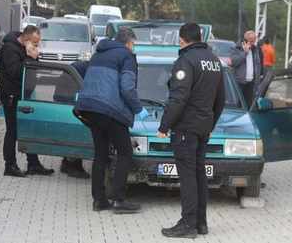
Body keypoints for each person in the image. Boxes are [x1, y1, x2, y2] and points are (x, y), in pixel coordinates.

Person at [157, 22, 226, 238]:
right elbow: (221, 99)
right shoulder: (215, 61)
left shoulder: (185, 60)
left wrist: (164, 125)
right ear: (201, 37)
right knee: (199, 175)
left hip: (186, 127)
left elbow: (178, 98)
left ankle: (187, 224)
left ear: (182, 40)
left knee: (187, 176)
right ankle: (200, 223)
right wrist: (210, 125)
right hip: (203, 126)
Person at [73, 28, 148, 213]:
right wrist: (139, 109)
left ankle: (99, 201)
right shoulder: (126, 56)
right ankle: (118, 200)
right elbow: (127, 88)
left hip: (90, 108)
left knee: (100, 154)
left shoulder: (99, 54)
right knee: (125, 152)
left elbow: (78, 68)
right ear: (130, 43)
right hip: (110, 110)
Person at [0, 25, 54, 177]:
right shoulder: (10, 49)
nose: (37, 45)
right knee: (13, 130)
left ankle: (33, 164)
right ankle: (10, 166)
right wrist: (29, 58)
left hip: (23, 93)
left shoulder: (25, 48)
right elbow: (15, 71)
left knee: (28, 127)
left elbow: (33, 66)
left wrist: (33, 56)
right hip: (11, 94)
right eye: (35, 42)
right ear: (26, 39)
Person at [54, 60, 91, 179]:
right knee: (76, 133)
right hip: (68, 100)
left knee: (69, 132)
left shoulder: (80, 66)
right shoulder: (85, 71)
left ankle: (66, 164)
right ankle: (75, 167)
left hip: (62, 98)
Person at [230, 30, 262, 108]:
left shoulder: (255, 49)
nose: (253, 44)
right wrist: (246, 52)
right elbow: (235, 62)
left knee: (249, 104)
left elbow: (258, 63)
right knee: (238, 104)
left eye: (254, 41)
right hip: (239, 81)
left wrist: (257, 77)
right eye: (251, 42)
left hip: (251, 82)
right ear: (245, 41)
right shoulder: (236, 49)